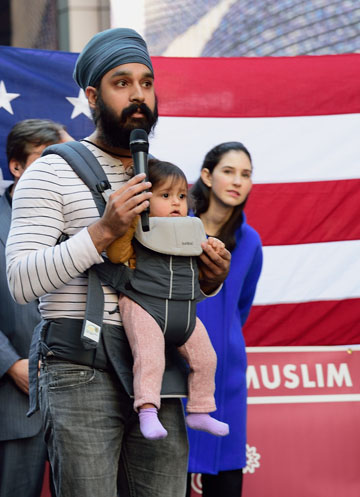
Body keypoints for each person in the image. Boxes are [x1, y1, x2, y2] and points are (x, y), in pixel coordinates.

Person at [6, 29, 231, 497]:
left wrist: (209, 280)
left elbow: (162, 276)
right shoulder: (51, 170)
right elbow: (21, 280)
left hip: (160, 371)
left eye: (146, 83)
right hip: (78, 369)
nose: (138, 96)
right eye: (122, 83)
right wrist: (102, 231)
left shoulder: (163, 178)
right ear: (92, 95)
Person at [104, 158, 229, 440]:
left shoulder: (190, 230)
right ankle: (148, 411)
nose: (176, 203)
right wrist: (131, 220)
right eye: (165, 195)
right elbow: (115, 256)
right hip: (143, 304)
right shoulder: (135, 229)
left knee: (206, 357)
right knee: (150, 358)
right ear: (145, 201)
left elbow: (204, 263)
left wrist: (214, 247)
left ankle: (200, 411)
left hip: (181, 310)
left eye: (182, 196)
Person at [185, 142, 263, 497]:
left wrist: (223, 340)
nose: (237, 181)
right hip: (176, 373)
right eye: (228, 171)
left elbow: (241, 308)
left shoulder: (250, 242)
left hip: (227, 377)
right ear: (206, 176)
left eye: (245, 175)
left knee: (227, 482)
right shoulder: (177, 230)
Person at [0, 119, 72, 497]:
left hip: (79, 398)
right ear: (16, 166)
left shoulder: (82, 220)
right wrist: (11, 364)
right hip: (13, 402)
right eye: (47, 159)